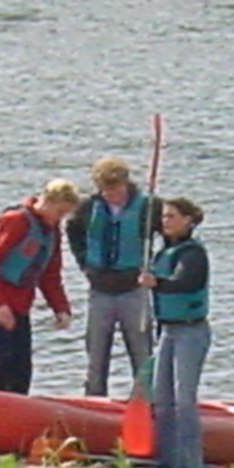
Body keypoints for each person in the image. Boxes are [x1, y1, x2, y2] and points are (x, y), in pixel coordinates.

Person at [65, 155, 161, 399]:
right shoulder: (88, 208)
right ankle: (95, 399)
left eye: (115, 190)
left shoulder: (148, 207)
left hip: (134, 290)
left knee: (141, 352)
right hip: (100, 290)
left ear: (126, 183)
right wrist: (85, 263)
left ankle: (146, 400)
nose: (111, 195)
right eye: (106, 191)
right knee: (96, 355)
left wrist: (156, 270)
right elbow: (73, 231)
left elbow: (170, 234)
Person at [0, 178, 79, 394]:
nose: (60, 219)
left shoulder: (51, 232)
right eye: (60, 212)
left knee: (22, 368)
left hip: (21, 304)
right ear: (48, 201)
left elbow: (50, 275)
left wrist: (61, 308)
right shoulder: (15, 221)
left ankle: (17, 408)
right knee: (2, 361)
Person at [141, 196, 211, 468]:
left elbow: (186, 282)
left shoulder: (193, 254)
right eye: (164, 217)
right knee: (162, 398)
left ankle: (191, 463)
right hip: (168, 330)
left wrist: (156, 282)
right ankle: (168, 459)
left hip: (191, 331)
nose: (165, 221)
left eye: (171, 216)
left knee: (184, 398)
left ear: (188, 220)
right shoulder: (163, 252)